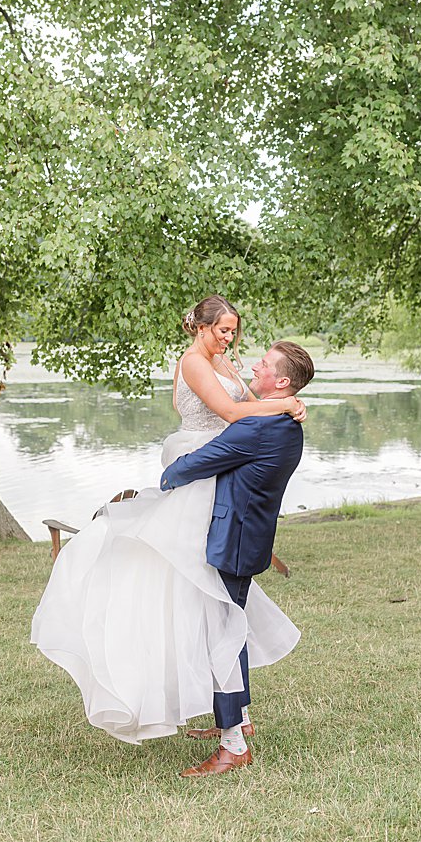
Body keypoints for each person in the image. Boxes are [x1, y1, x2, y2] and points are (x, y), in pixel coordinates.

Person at [30, 295, 304, 758]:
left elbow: (249, 410)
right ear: (201, 326)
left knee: (213, 609)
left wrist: (285, 402)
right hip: (209, 472)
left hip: (219, 481)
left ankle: (234, 729)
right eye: (223, 330)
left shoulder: (233, 374)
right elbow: (235, 413)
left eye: (233, 331)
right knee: (205, 603)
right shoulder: (196, 364)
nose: (231, 338)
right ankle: (233, 719)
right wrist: (287, 404)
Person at [160, 338, 314, 777]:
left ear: (281, 382)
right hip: (250, 538)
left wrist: (168, 475)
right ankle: (239, 719)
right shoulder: (286, 423)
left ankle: (233, 746)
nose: (255, 367)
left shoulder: (258, 428)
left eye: (264, 364)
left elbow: (192, 466)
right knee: (230, 627)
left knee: (221, 635)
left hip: (230, 541)